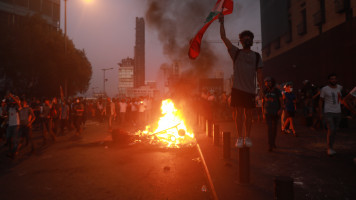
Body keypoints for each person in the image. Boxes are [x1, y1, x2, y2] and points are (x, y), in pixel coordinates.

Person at [219, 14, 263, 148]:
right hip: (237, 89)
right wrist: (221, 22)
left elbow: (260, 74)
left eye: (249, 37)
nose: (247, 39)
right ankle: (239, 137)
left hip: (250, 90)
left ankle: (247, 137)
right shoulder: (236, 53)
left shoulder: (256, 56)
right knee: (238, 114)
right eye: (245, 38)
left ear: (252, 40)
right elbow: (223, 38)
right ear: (241, 41)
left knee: (249, 115)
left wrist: (261, 91)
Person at [319, 73, 343, 156]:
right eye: (332, 79)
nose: (334, 80)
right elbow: (321, 100)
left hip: (338, 111)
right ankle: (329, 148)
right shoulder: (325, 89)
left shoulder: (340, 87)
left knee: (335, 130)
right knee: (331, 129)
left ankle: (331, 146)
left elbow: (340, 99)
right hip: (328, 112)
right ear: (329, 80)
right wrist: (320, 112)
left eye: (335, 78)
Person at [262, 77, 283, 152]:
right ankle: (270, 145)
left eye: (269, 81)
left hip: (275, 112)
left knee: (274, 129)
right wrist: (263, 113)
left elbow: (281, 101)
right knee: (269, 129)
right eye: (266, 82)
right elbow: (263, 102)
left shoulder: (277, 91)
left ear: (272, 82)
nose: (267, 83)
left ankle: (273, 142)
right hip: (267, 112)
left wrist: (281, 109)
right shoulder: (265, 91)